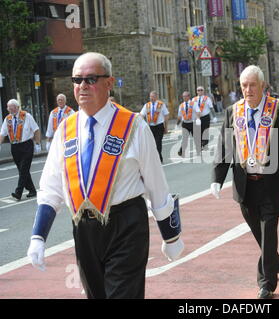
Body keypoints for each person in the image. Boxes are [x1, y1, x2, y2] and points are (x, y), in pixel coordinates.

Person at [26, 52, 184, 299]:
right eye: (77, 80)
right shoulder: (65, 130)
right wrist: (38, 235)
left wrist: (171, 235)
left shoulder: (134, 125)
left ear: (109, 83)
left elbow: (156, 184)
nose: (82, 86)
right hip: (84, 228)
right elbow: (51, 188)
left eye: (90, 79)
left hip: (126, 225)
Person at [211, 65, 279, 299]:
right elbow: (224, 147)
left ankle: (266, 283)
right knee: (256, 228)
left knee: (268, 228)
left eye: (252, 85)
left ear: (262, 86)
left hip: (272, 183)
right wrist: (217, 178)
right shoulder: (234, 111)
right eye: (244, 85)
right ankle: (275, 261)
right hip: (245, 183)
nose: (248, 89)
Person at [0, 99, 41, 200]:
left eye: (11, 106)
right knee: (23, 170)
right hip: (15, 147)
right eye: (8, 107)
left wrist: (37, 143)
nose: (9, 109)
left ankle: (18, 192)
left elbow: (36, 129)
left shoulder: (26, 116)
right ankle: (32, 190)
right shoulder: (7, 119)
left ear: (16, 107)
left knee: (23, 169)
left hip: (27, 145)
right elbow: (2, 134)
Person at [140, 91, 169, 162]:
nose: (151, 98)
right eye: (150, 96)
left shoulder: (161, 104)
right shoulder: (147, 105)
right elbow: (141, 115)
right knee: (151, 143)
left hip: (159, 126)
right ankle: (159, 156)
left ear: (156, 97)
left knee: (158, 142)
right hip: (151, 127)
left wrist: (166, 127)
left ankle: (158, 158)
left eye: (153, 96)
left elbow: (166, 115)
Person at [177, 91, 200, 157]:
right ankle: (181, 151)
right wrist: (177, 124)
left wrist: (198, 119)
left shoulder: (194, 104)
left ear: (189, 96)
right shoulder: (181, 105)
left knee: (195, 138)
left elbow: (198, 112)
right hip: (185, 124)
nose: (184, 98)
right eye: (183, 96)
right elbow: (179, 116)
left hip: (193, 123)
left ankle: (198, 150)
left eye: (186, 96)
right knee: (185, 138)